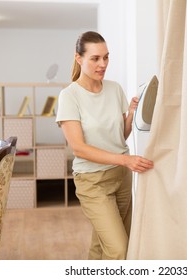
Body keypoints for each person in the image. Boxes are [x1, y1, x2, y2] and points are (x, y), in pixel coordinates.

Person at [55, 31, 154, 260]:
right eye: (95, 58)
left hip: (121, 177)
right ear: (79, 58)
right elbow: (78, 148)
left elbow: (120, 136)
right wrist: (126, 159)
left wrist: (130, 113)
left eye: (106, 57)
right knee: (118, 248)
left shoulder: (114, 89)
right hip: (93, 182)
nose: (103, 64)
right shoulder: (69, 96)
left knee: (104, 245)